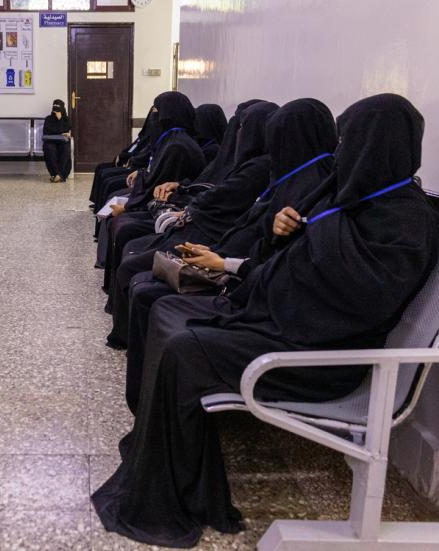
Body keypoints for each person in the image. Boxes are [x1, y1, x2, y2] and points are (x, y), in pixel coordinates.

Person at [92, 93, 438, 548]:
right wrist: (283, 234)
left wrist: (314, 232)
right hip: (285, 325)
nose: (341, 152)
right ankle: (160, 457)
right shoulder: (353, 201)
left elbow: (358, 301)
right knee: (172, 320)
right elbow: (293, 266)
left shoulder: (406, 220)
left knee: (184, 347)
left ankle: (179, 492)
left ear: (378, 145)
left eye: (349, 140)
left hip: (323, 356)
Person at [124, 98, 338, 410]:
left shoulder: (312, 190)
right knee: (144, 281)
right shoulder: (289, 180)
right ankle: (147, 399)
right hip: (238, 269)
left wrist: (225, 263)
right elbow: (256, 234)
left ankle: (154, 405)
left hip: (256, 295)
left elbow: (296, 269)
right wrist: (217, 252)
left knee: (148, 290)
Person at [103, 101, 277, 334]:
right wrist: (182, 191)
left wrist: (184, 204)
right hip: (195, 223)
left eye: (244, 126)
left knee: (131, 249)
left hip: (210, 238)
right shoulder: (237, 161)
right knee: (128, 240)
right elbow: (206, 187)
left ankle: (124, 334)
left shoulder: (257, 168)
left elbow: (217, 198)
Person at [96, 92, 206, 276]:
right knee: (115, 211)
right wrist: (140, 176)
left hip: (172, 207)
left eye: (156, 109)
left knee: (122, 224)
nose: (153, 114)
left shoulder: (177, 146)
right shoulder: (170, 141)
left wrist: (127, 207)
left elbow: (158, 185)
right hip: (160, 201)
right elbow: (155, 177)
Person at [42, 99, 72, 182]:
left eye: (58, 111)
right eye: (55, 110)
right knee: (49, 148)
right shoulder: (48, 119)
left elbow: (68, 131)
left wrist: (60, 120)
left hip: (63, 142)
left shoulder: (66, 119)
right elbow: (47, 131)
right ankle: (56, 174)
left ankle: (60, 175)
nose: (56, 112)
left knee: (65, 149)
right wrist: (61, 131)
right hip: (51, 141)